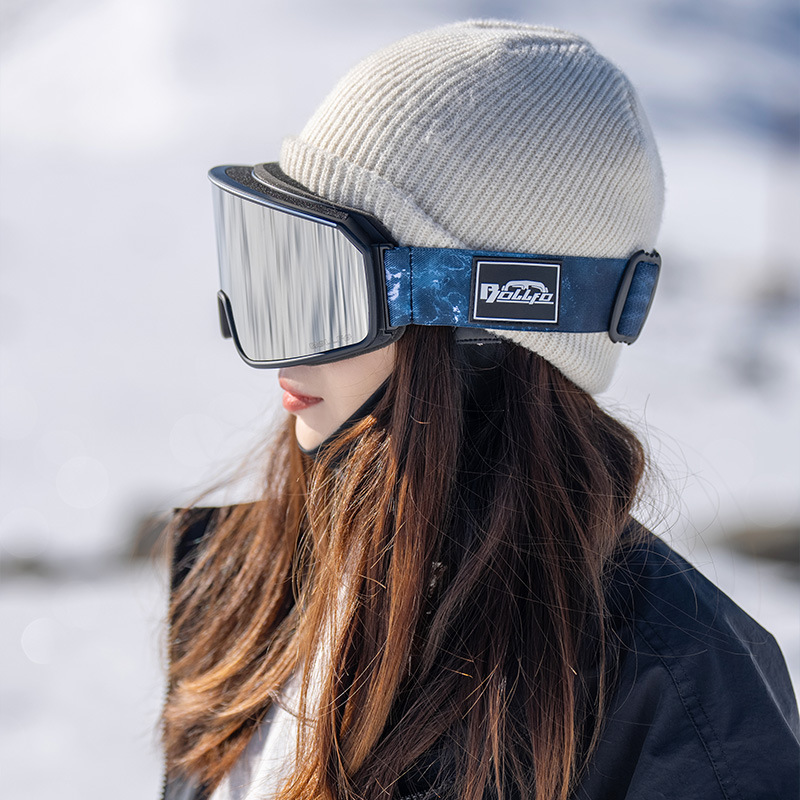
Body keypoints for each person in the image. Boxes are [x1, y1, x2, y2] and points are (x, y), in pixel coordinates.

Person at [161, 21, 799, 800]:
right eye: (268, 261)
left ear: (491, 318)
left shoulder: (679, 700)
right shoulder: (243, 580)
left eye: (324, 286)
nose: (277, 351)